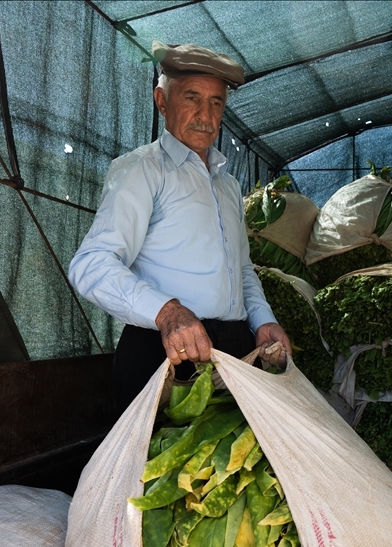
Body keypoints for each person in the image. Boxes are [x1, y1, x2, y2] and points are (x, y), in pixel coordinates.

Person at [69, 42, 290, 410]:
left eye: (216, 102)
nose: (206, 114)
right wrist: (168, 312)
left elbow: (243, 269)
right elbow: (91, 263)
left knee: (227, 465)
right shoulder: (142, 169)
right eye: (191, 98)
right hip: (165, 353)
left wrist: (262, 322)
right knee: (159, 464)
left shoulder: (228, 185)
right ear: (161, 101)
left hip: (234, 352)